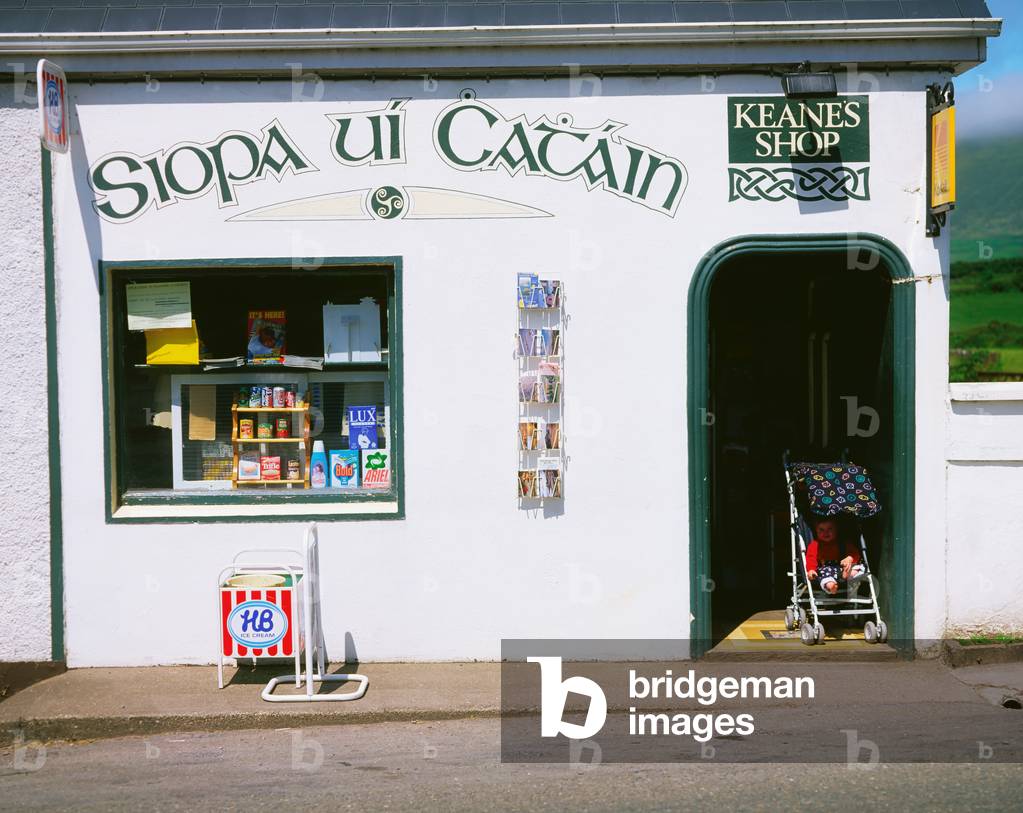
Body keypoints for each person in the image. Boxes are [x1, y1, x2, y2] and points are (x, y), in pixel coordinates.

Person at [805, 517, 865, 595]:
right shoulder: (814, 545)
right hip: (826, 569)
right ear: (816, 531)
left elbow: (855, 553)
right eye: (821, 530)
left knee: (856, 568)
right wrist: (811, 569)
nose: (826, 533)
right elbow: (810, 558)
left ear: (836, 530)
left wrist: (850, 558)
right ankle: (831, 587)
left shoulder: (843, 542)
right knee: (825, 577)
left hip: (841, 568)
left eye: (830, 529)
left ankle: (846, 576)